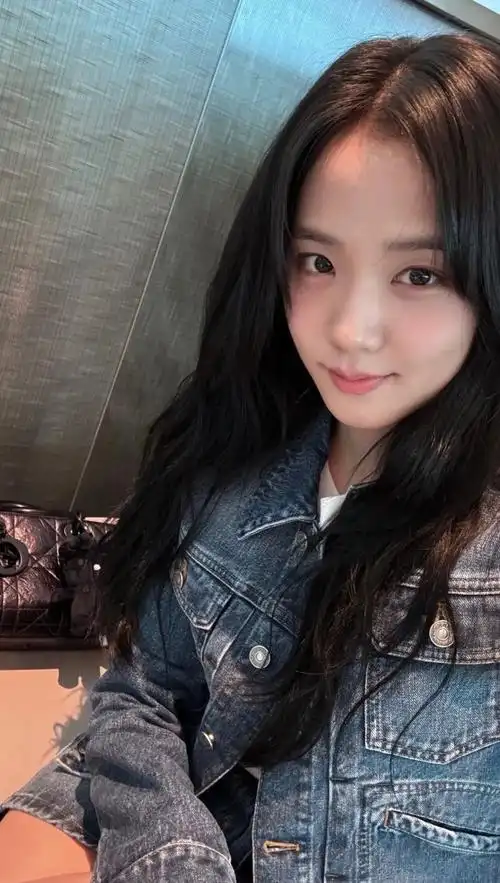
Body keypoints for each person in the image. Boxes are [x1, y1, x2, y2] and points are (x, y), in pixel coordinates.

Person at [1, 31, 500, 883]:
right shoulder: (239, 461)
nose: (351, 329)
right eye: (319, 261)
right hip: (168, 810)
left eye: (419, 273)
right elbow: (144, 694)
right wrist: (173, 858)